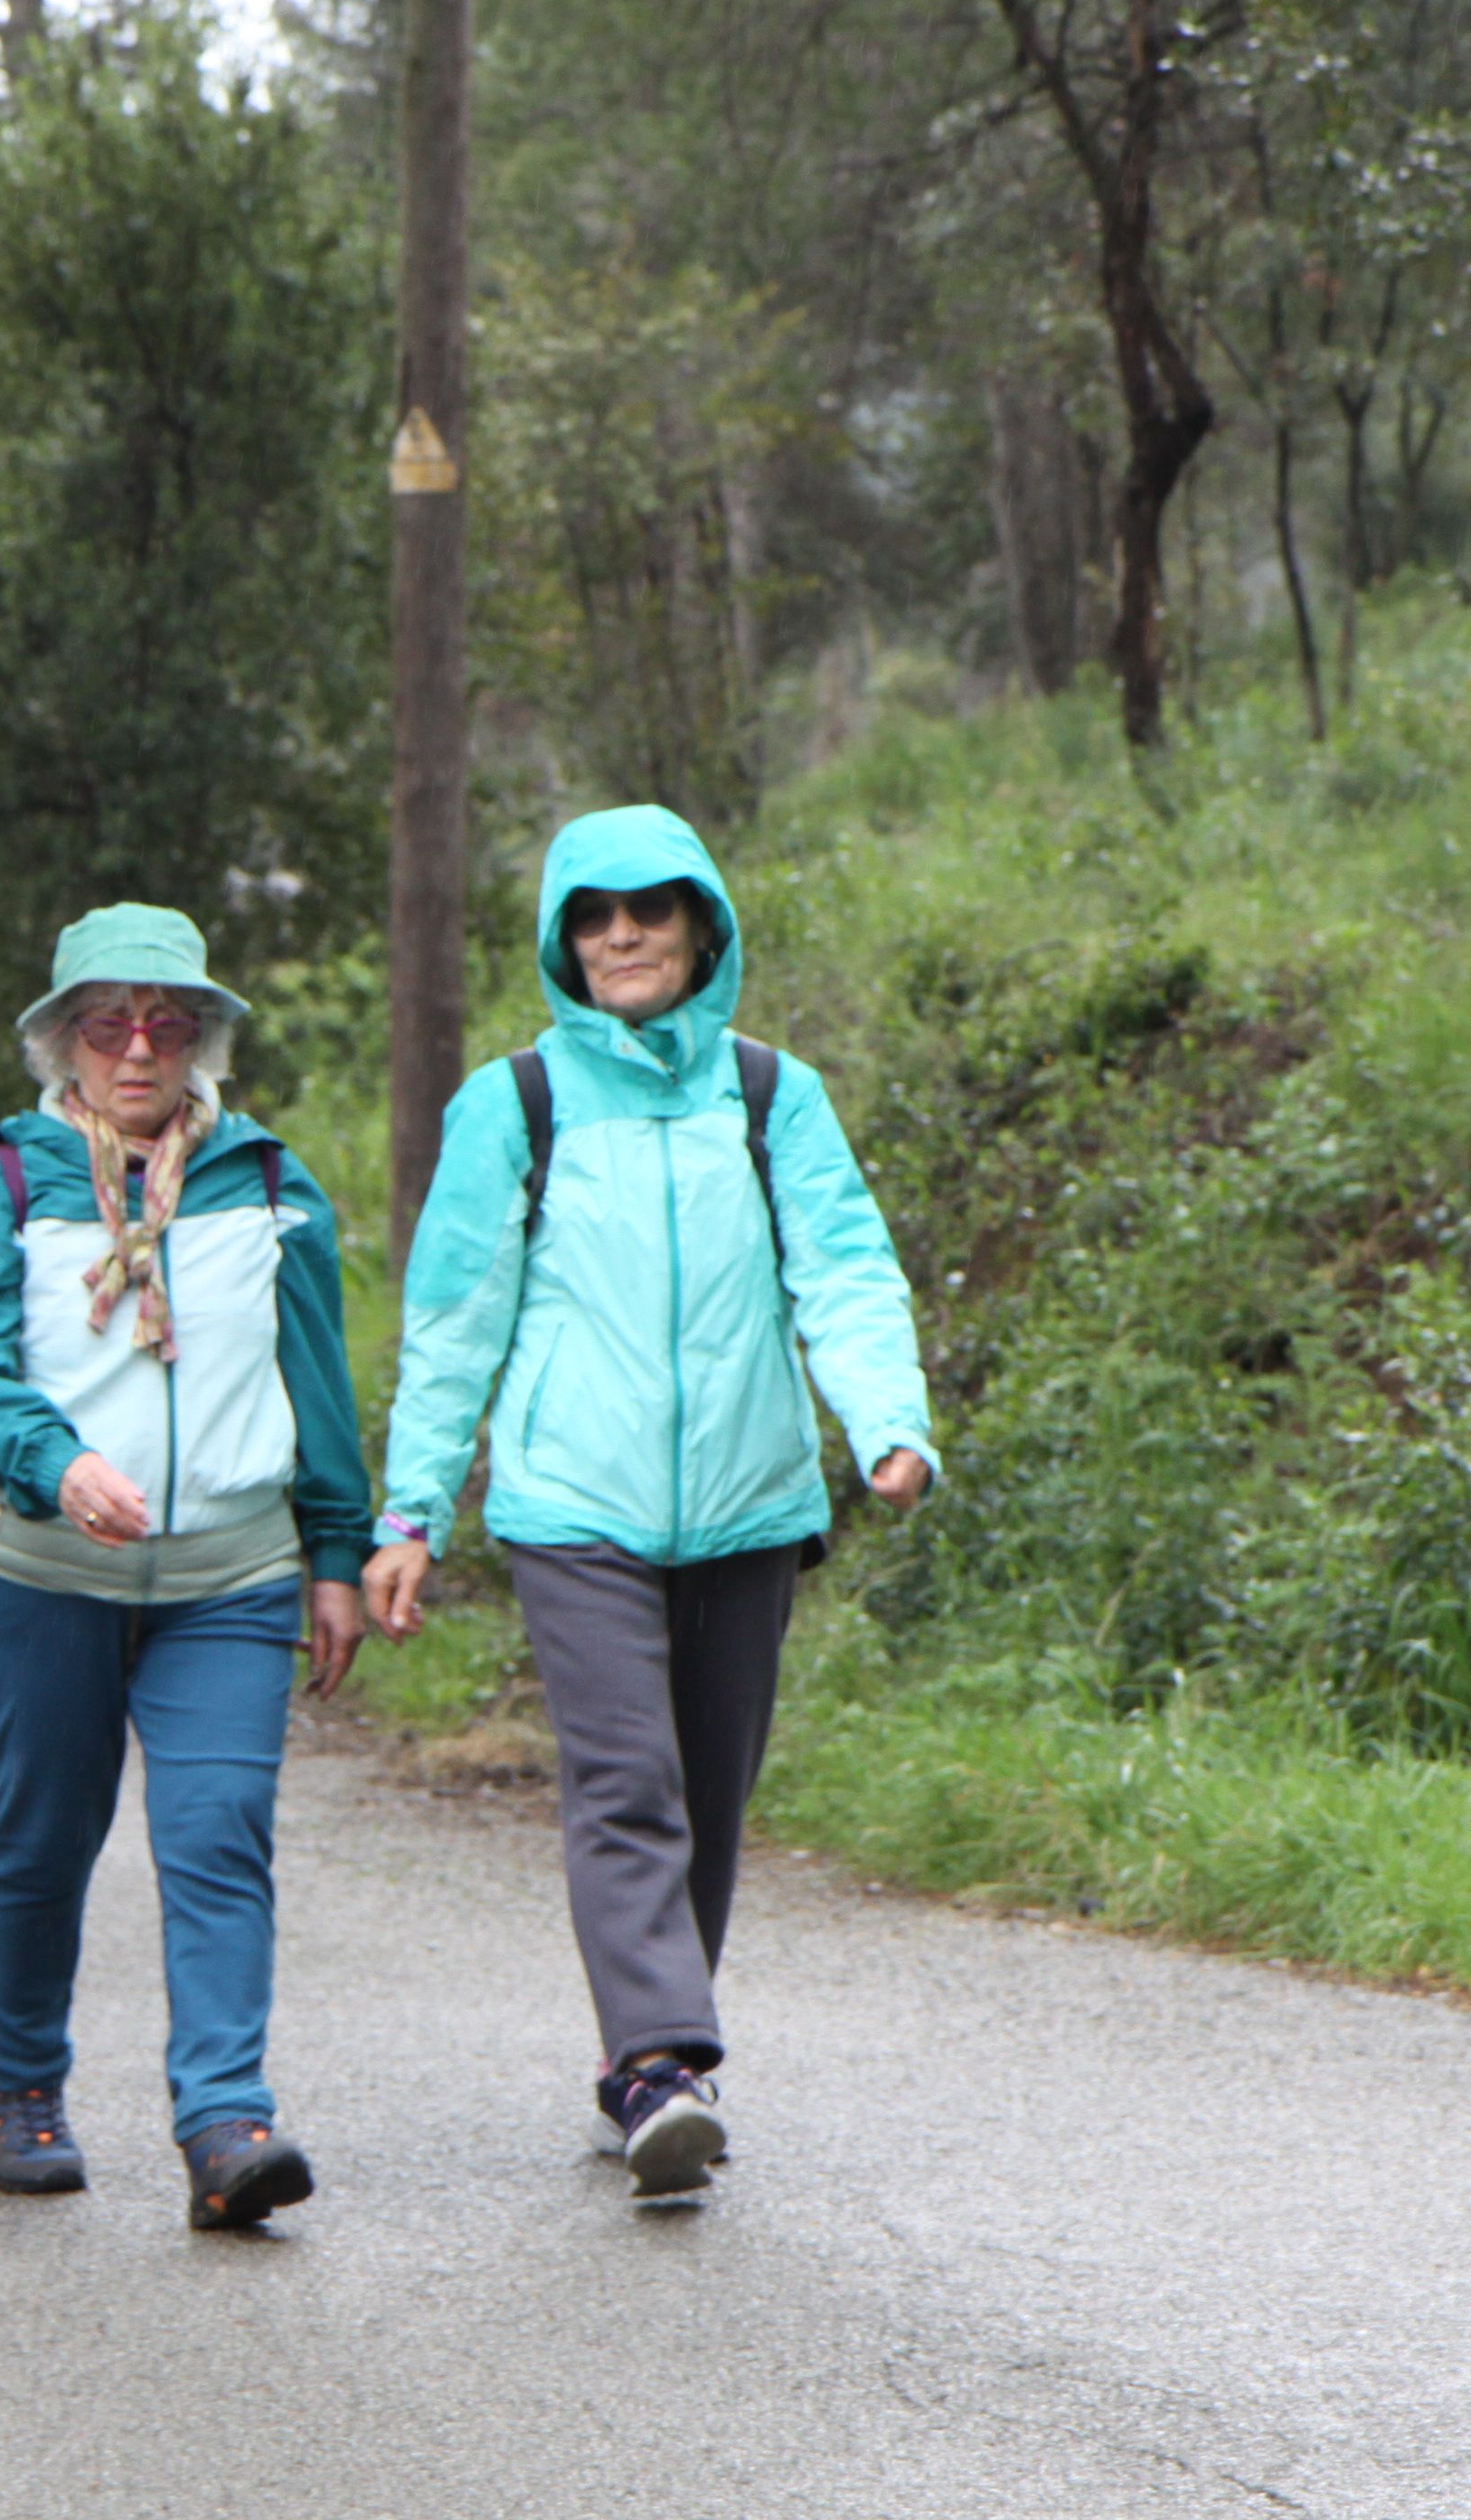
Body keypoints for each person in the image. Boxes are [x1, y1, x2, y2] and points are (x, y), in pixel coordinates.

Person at [369, 807, 937, 2202]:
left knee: (713, 1797)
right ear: (565, 940)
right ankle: (659, 2066)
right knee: (627, 1783)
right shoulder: (520, 1103)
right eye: (594, 914)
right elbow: (454, 1319)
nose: (623, 934)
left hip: (750, 1504)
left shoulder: (768, 1093)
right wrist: (411, 1511)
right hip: (575, 1507)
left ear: (701, 927)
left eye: (652, 909)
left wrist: (888, 1421)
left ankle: (649, 2053)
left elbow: (843, 1266)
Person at [0, 904, 374, 2232]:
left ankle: (226, 2124)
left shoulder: (270, 1184)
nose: (137, 1048)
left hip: (229, 1580)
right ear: (65, 1040)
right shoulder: (11, 1179)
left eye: (166, 1023)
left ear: (201, 1040)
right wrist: (51, 1460)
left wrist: (333, 1552)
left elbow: (318, 1385)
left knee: (218, 1835)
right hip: (43, 1569)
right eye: (108, 1024)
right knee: (46, 1838)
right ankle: (23, 2087)